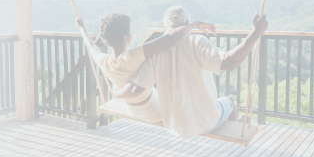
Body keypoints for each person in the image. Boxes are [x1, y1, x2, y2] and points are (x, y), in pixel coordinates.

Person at [113, 6, 268, 137]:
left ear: (168, 28)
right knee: (230, 102)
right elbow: (229, 62)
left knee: (222, 106)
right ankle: (237, 127)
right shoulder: (195, 42)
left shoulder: (156, 51)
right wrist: (255, 33)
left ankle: (237, 123)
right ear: (187, 24)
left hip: (175, 126)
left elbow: (136, 88)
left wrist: (117, 94)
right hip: (204, 123)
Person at [75, 12, 216, 123]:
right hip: (153, 111)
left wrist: (82, 28)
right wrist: (195, 24)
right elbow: (169, 38)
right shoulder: (132, 56)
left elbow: (91, 45)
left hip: (133, 109)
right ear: (125, 37)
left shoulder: (103, 61)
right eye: (129, 32)